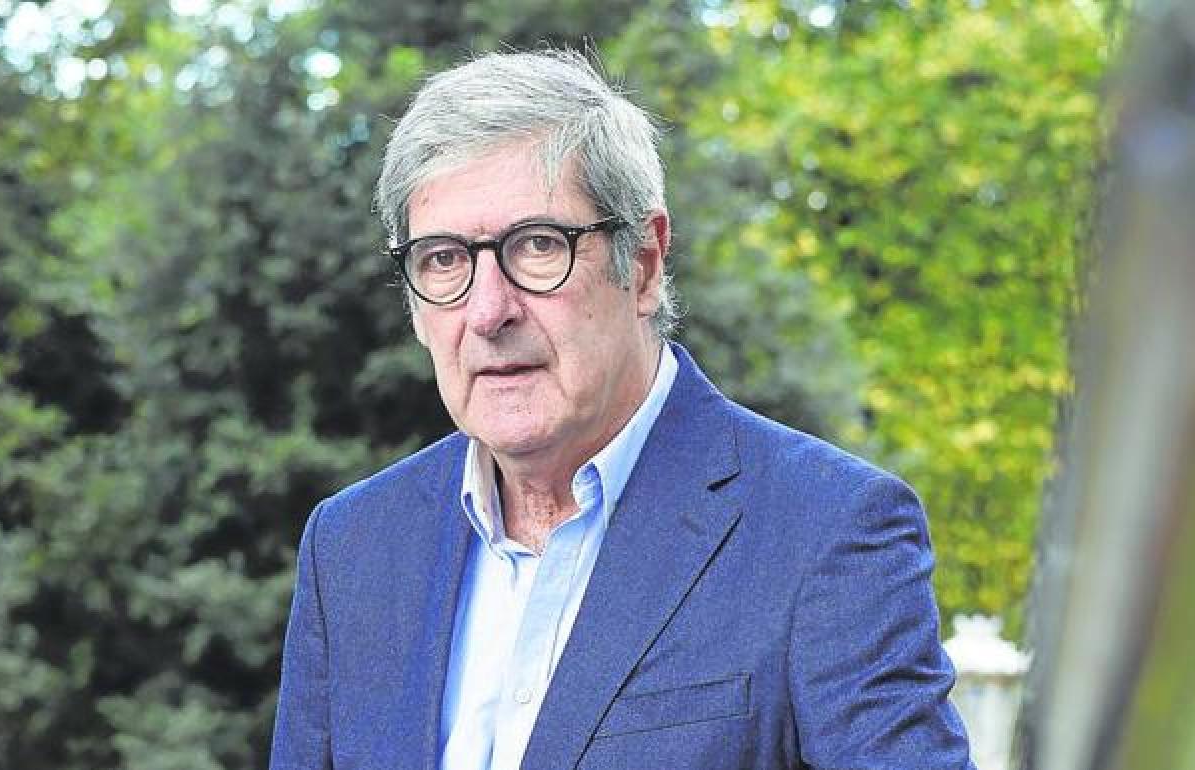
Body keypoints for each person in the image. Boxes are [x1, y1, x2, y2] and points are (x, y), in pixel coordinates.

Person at [270, 49, 975, 770]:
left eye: (537, 246)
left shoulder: (826, 529)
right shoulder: (353, 545)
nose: (487, 312)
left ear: (642, 264)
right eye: (443, 259)